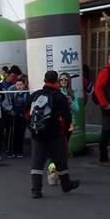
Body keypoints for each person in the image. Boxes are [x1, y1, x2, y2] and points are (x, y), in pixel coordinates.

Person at [28, 71, 80, 199]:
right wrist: (66, 131)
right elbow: (67, 117)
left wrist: (32, 129)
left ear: (44, 80)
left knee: (37, 162)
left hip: (37, 134)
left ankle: (36, 190)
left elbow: (26, 113)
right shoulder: (59, 97)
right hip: (55, 135)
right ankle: (66, 185)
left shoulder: (35, 95)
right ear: (56, 81)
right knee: (60, 160)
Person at [7, 75, 29, 159]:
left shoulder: (26, 94)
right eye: (17, 85)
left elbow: (27, 105)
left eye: (20, 84)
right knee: (13, 135)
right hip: (14, 117)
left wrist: (24, 114)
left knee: (21, 135)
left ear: (24, 85)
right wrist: (12, 111)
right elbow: (10, 104)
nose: (19, 86)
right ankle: (12, 151)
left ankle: (19, 152)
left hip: (22, 117)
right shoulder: (13, 94)